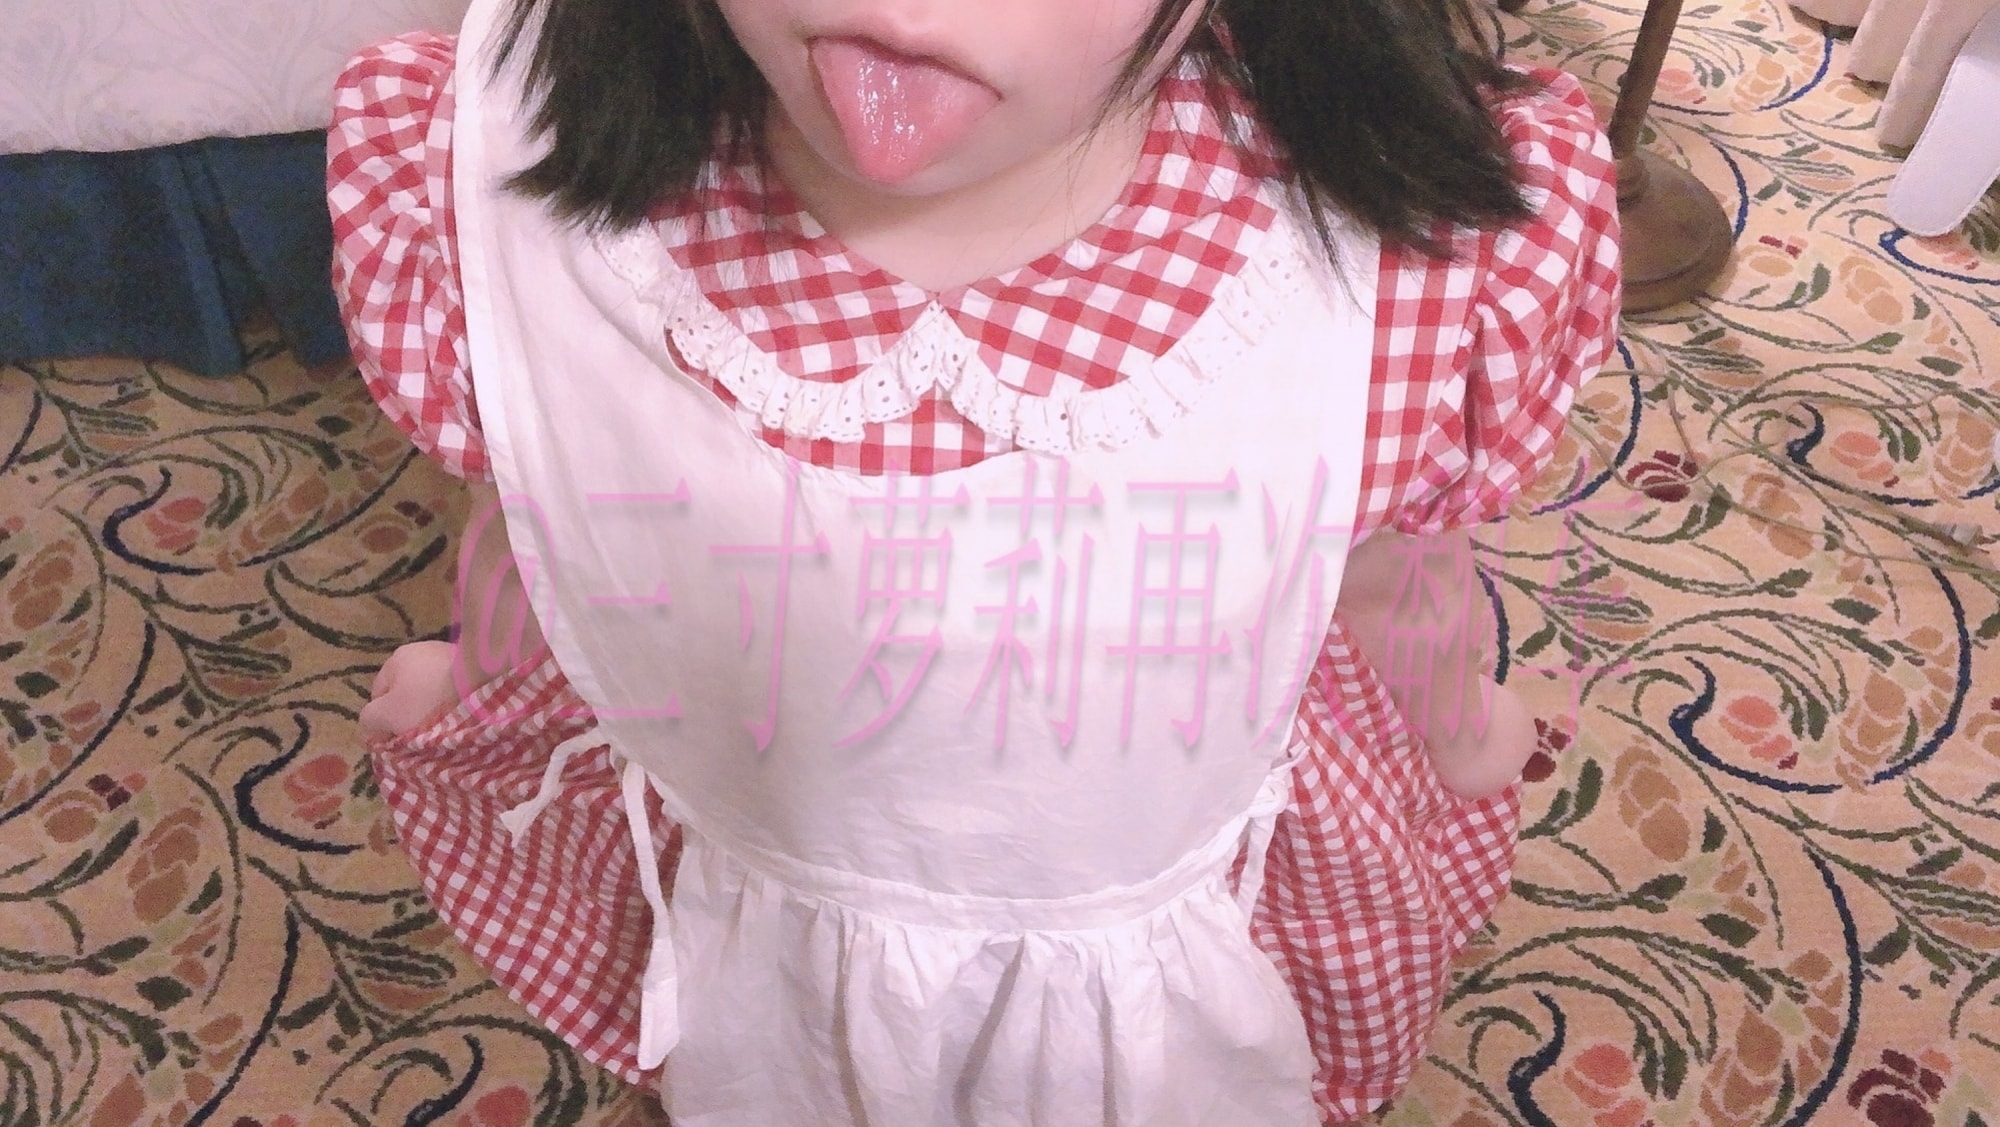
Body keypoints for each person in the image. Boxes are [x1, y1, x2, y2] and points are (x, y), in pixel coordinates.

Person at [329, 0, 1619, 1118]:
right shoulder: (493, 170)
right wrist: (482, 669)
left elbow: (1392, 565)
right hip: (748, 855)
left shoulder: (1392, 248)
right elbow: (547, 495)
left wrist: (1454, 718)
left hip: (1163, 891)